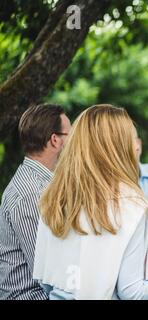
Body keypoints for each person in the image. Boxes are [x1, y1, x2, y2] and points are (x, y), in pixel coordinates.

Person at [33, 104, 148, 300]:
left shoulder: (54, 198)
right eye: (131, 139)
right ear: (119, 148)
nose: (136, 145)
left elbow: (47, 282)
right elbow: (134, 294)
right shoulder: (131, 204)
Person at [0, 103, 71, 300]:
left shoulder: (43, 183)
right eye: (71, 136)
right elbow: (49, 274)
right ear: (55, 140)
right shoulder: (30, 195)